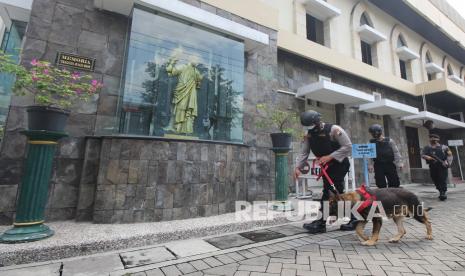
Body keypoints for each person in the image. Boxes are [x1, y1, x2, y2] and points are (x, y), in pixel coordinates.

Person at [294, 110, 357, 233]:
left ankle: (322, 223)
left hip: (339, 164)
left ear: (317, 121)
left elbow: (348, 146)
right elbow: (304, 152)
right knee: (335, 193)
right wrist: (297, 167)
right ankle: (353, 219)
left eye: (311, 126)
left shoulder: (334, 130)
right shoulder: (309, 134)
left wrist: (329, 157)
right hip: (327, 167)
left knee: (330, 193)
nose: (310, 129)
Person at [368, 124, 403, 188]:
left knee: (394, 182)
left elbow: (396, 152)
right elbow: (370, 155)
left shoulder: (390, 141)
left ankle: (393, 196)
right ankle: (383, 196)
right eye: (372, 133)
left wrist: (399, 163)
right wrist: (370, 165)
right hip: (378, 165)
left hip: (389, 164)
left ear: (378, 132)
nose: (373, 134)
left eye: (374, 132)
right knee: (380, 183)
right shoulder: (371, 142)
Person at [421, 134, 453, 201]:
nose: (433, 139)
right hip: (433, 166)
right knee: (435, 179)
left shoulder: (444, 147)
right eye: (431, 138)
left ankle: (443, 193)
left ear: (438, 139)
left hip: (442, 166)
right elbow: (422, 155)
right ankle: (440, 190)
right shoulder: (427, 147)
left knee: (442, 179)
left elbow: (450, 155)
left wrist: (448, 162)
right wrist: (427, 157)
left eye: (434, 138)